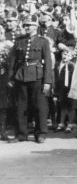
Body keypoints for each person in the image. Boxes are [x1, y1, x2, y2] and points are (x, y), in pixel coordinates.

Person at [7, 14, 53, 144]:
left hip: (37, 75)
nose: (26, 27)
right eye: (25, 25)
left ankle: (41, 133)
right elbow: (13, 61)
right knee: (21, 106)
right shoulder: (19, 40)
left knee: (39, 106)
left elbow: (48, 63)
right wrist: (11, 78)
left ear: (36, 26)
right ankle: (21, 134)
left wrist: (47, 81)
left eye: (29, 25)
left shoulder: (43, 41)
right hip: (21, 75)